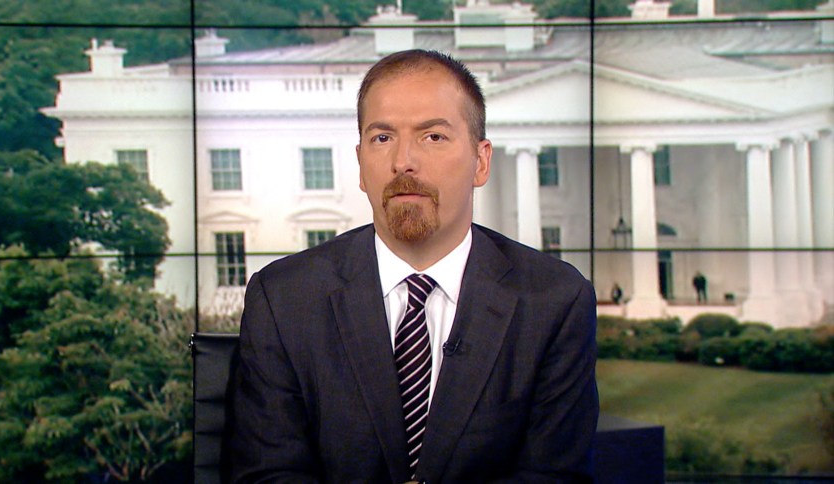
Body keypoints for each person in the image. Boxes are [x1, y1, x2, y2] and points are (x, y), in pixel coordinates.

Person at [228, 49, 599, 483]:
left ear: (481, 162)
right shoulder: (284, 299)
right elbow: (267, 475)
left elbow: (553, 477)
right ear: (361, 164)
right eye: (382, 138)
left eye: (433, 136)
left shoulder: (554, 301)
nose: (403, 160)